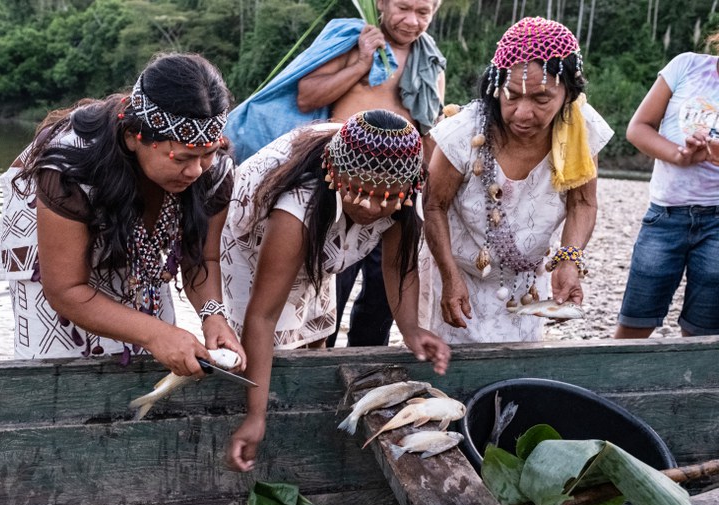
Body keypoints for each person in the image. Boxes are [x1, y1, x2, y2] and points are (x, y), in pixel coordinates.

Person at [222, 109, 451, 472]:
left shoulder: (400, 189)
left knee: (315, 329)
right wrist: (254, 415)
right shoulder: (298, 208)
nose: (370, 207)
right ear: (336, 174)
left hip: (324, 228)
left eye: (384, 198)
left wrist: (411, 329)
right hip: (251, 244)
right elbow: (261, 316)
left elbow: (397, 266)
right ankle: (259, 413)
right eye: (361, 193)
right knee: (269, 338)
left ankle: (306, 424)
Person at [0, 53, 246, 377]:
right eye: (181, 158)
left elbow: (202, 259)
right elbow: (65, 290)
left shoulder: (214, 173)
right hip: (53, 250)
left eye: (207, 154)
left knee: (156, 351)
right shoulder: (69, 170)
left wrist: (214, 316)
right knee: (64, 367)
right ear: (133, 137)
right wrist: (155, 333)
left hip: (137, 239)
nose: (196, 170)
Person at [226, 0, 446, 348]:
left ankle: (363, 374)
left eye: (423, 13)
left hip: (393, 194)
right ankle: (316, 360)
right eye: (404, 8)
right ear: (383, 4)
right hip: (340, 189)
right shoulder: (354, 41)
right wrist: (361, 61)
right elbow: (306, 97)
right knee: (323, 287)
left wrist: (421, 193)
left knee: (379, 301)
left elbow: (428, 130)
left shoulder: (430, 63)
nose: (412, 21)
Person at [419, 17, 614, 343]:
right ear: (495, 88)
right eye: (511, 96)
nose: (523, 113)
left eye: (541, 99)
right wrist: (450, 276)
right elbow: (434, 205)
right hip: (455, 275)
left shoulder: (581, 130)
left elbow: (583, 202)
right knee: (448, 374)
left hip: (525, 282)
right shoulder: (464, 132)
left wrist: (569, 259)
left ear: (569, 93)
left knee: (517, 372)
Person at [614, 33, 719, 339]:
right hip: (665, 217)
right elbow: (638, 128)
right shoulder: (686, 66)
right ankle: (609, 385)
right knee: (634, 321)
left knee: (704, 333)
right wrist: (680, 155)